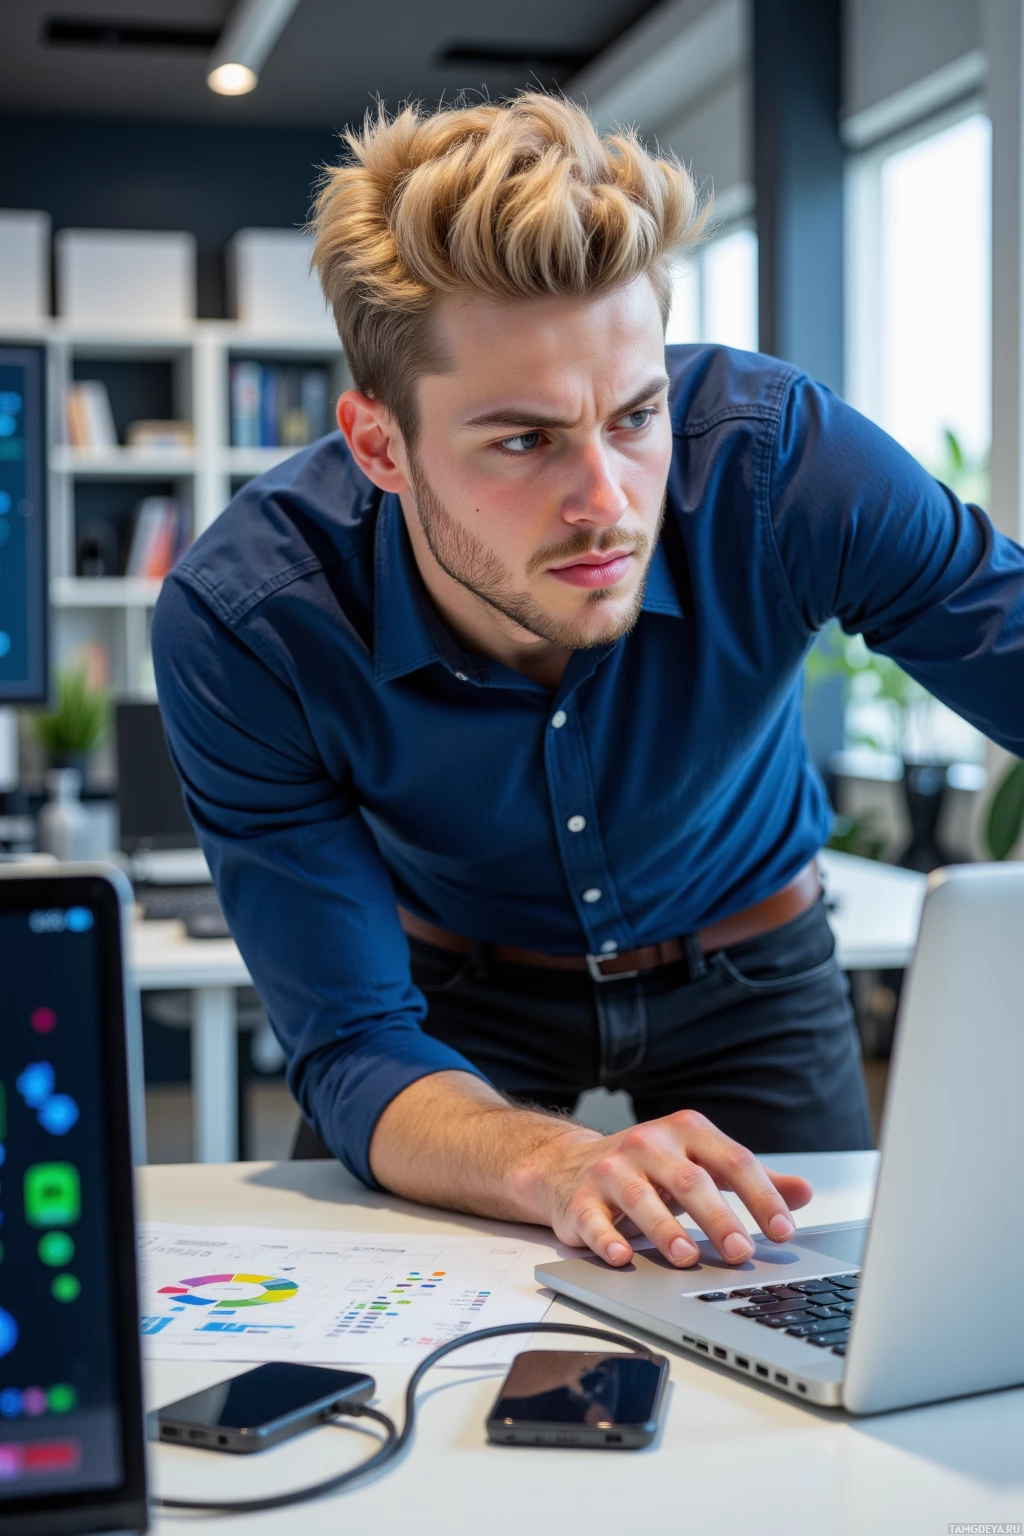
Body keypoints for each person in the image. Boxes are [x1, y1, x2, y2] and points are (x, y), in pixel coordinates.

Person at [153, 93, 1024, 1273]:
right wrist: (557, 1163)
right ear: (379, 445)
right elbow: (353, 1039)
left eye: (635, 416)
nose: (608, 503)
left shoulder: (780, 466)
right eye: (523, 441)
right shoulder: (249, 619)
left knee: (837, 1338)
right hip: (451, 1007)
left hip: (752, 963)